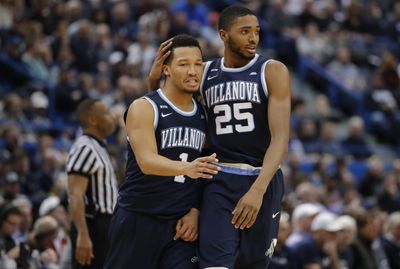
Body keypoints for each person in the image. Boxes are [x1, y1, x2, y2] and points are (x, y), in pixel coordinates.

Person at [104, 35, 220, 269]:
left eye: (198, 64)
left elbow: (206, 172)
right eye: (184, 64)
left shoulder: (204, 113)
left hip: (180, 226)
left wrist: (195, 210)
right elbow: (147, 161)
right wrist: (188, 168)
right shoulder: (144, 107)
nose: (193, 71)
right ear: (165, 69)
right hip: (139, 217)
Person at [66, 99, 118, 269]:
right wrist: (82, 234)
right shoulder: (85, 148)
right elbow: (75, 195)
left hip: (105, 225)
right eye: (107, 113)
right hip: (93, 226)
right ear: (93, 120)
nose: (113, 117)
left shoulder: (99, 147)